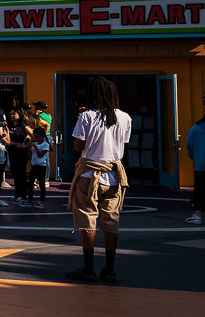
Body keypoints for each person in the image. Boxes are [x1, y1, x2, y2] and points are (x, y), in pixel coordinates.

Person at [67, 77, 132, 283]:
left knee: (88, 221)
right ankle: (109, 269)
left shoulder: (86, 116)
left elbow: (78, 147)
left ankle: (89, 268)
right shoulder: (125, 117)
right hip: (114, 176)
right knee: (111, 222)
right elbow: (123, 144)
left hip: (89, 175)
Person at [7, 109, 33, 205]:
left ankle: (22, 195)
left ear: (19, 115)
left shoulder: (23, 126)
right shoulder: (9, 125)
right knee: (14, 173)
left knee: (21, 173)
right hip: (12, 151)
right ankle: (17, 194)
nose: (12, 116)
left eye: (14, 114)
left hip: (21, 152)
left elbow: (34, 137)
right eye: (11, 114)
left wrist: (25, 145)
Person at [27, 127, 51, 207]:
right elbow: (31, 154)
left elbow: (40, 155)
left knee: (41, 183)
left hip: (41, 166)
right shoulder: (35, 143)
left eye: (37, 137)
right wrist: (30, 147)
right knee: (30, 182)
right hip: (34, 165)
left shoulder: (46, 145)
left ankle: (41, 200)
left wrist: (35, 146)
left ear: (42, 136)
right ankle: (30, 199)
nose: (35, 139)